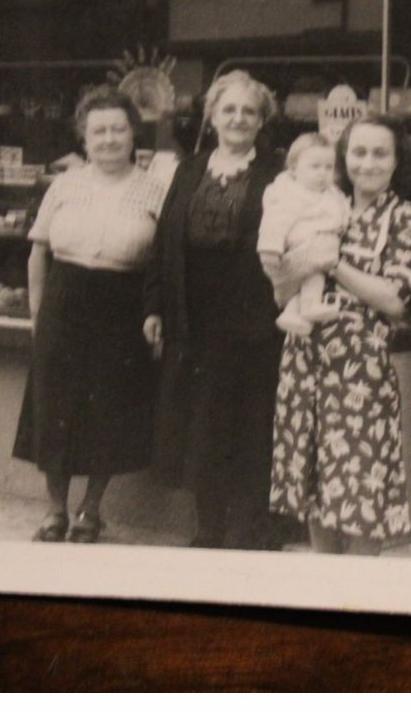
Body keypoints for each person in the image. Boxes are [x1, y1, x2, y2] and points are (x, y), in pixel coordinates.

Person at [145, 70, 307, 549]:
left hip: (254, 323)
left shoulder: (278, 173)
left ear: (263, 121)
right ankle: (207, 527)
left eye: (249, 111)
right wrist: (154, 306)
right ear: (212, 116)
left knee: (249, 427)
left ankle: (246, 531)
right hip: (193, 319)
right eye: (229, 109)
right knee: (200, 427)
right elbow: (163, 244)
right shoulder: (189, 169)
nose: (239, 119)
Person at [12, 86, 167, 545]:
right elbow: (38, 254)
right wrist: (37, 314)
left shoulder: (157, 190)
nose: (109, 139)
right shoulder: (64, 185)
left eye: (118, 129)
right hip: (64, 301)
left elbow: (161, 264)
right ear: (83, 136)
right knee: (53, 407)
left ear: (133, 133)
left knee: (109, 412)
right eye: (98, 130)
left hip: (122, 306)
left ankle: (91, 511)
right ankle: (55, 509)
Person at [269, 115, 411, 555]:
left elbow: (395, 300)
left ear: (399, 160)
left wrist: (332, 262)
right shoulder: (320, 203)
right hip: (305, 357)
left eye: (381, 153)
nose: (368, 163)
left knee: (360, 491)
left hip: (361, 367)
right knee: (316, 486)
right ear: (343, 158)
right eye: (358, 152)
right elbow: (281, 288)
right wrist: (298, 267)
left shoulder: (405, 217)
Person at [258, 132, 351, 337]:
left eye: (329, 167)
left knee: (311, 276)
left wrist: (343, 221)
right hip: (299, 247)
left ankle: (293, 313)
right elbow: (274, 222)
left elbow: (341, 208)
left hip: (316, 248)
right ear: (293, 169)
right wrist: (269, 247)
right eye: (315, 166)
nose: (323, 173)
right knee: (313, 272)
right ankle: (308, 306)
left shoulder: (330, 192)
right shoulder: (289, 193)